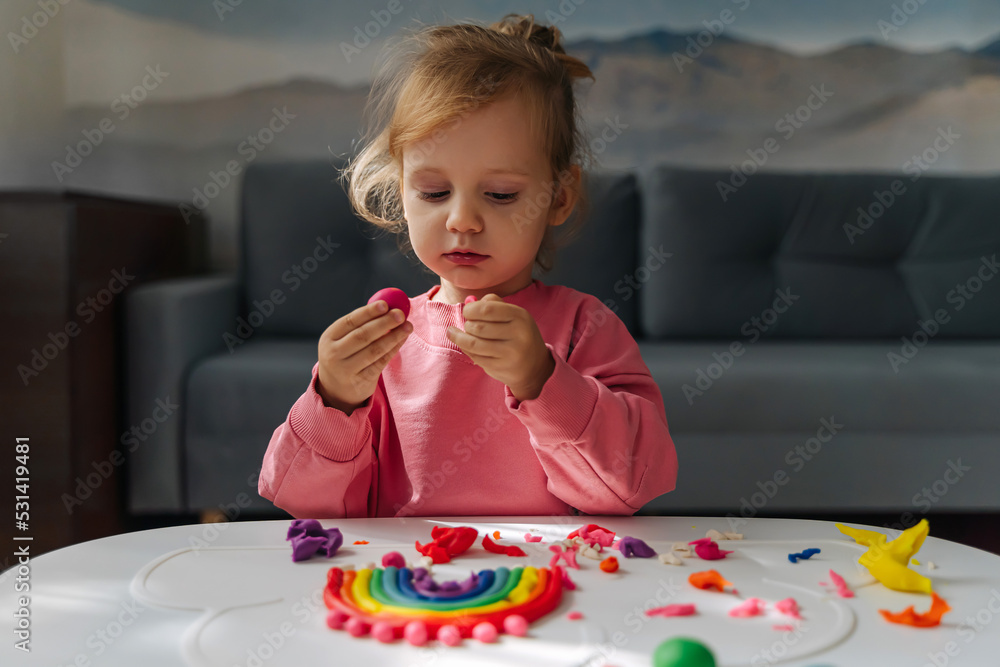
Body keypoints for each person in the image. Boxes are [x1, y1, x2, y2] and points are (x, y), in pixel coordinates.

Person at [259, 14, 677, 518]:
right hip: (408, 586)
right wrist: (335, 401)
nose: (462, 220)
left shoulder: (584, 329)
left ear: (560, 196)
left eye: (501, 195)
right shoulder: (386, 344)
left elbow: (630, 486)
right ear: (401, 192)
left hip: (555, 583)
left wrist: (543, 381)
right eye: (434, 192)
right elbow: (312, 508)